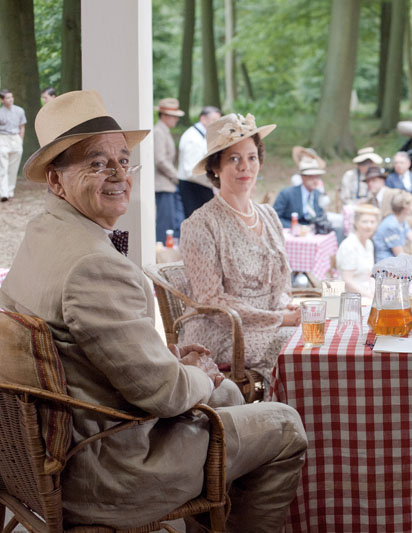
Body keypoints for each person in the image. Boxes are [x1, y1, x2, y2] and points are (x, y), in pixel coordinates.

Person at [0, 90, 306, 531]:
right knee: (285, 424)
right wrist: (201, 373)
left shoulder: (39, 236)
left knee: (230, 396)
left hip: (43, 455)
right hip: (107, 469)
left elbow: (88, 351)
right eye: (97, 163)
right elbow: (163, 394)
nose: (119, 175)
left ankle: (212, 518)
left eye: (124, 161)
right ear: (55, 180)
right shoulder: (92, 265)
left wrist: (173, 359)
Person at [180, 113, 301, 381]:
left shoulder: (269, 215)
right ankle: (277, 408)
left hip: (271, 323)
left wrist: (287, 308)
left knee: (315, 338)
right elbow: (212, 302)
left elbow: (281, 284)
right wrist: (279, 319)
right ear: (215, 167)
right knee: (294, 347)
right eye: (234, 159)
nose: (245, 167)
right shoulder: (200, 224)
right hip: (222, 331)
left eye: (251, 157)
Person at [177, 105, 221, 218]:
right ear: (203, 119)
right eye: (214, 120)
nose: (217, 124)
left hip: (200, 185)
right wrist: (213, 182)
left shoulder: (202, 135)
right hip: (193, 188)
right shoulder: (192, 138)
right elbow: (190, 171)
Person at [153, 97, 185, 242]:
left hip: (168, 185)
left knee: (172, 222)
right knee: (165, 224)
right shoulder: (158, 132)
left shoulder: (164, 131)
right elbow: (160, 160)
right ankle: (162, 250)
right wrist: (175, 176)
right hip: (163, 185)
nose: (176, 119)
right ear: (164, 116)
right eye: (174, 116)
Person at [336, 203, 380, 300]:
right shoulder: (349, 245)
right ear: (356, 222)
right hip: (351, 298)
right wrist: (369, 296)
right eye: (364, 222)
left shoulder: (369, 243)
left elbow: (370, 275)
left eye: (372, 222)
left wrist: (374, 293)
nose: (369, 226)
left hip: (366, 294)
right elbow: (347, 281)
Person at [273, 154, 326, 228]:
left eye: (317, 177)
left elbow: (322, 216)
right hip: (290, 231)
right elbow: (274, 218)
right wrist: (294, 226)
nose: (315, 181)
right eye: (311, 177)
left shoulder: (318, 195)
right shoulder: (286, 194)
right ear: (303, 177)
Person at [373, 190, 412, 262]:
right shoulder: (391, 225)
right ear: (405, 208)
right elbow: (400, 254)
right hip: (386, 264)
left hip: (396, 262)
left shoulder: (402, 222)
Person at [0, 89, 26, 202]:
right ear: (2, 100)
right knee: (3, 167)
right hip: (3, 138)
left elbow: (22, 126)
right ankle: (3, 193)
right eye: (7, 98)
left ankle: (10, 192)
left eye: (11, 97)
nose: (10, 99)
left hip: (16, 139)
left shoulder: (20, 110)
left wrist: (20, 140)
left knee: (13, 168)